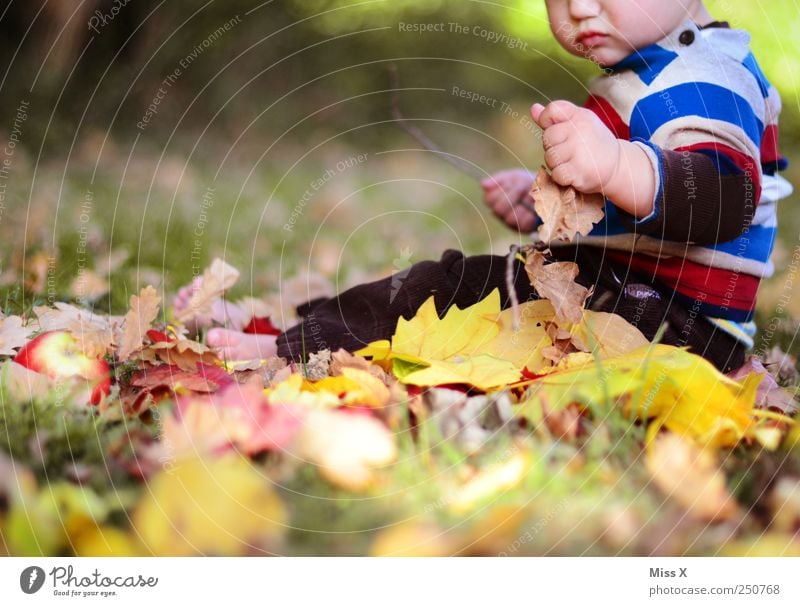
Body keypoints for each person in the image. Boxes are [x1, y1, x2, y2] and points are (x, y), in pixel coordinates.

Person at [176, 0, 791, 374]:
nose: (577, 11)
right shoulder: (657, 67)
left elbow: (722, 200)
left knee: (451, 293)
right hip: (633, 297)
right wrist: (552, 199)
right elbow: (637, 206)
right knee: (460, 289)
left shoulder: (703, 80)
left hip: (673, 327)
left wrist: (613, 167)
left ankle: (291, 348)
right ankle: (289, 332)